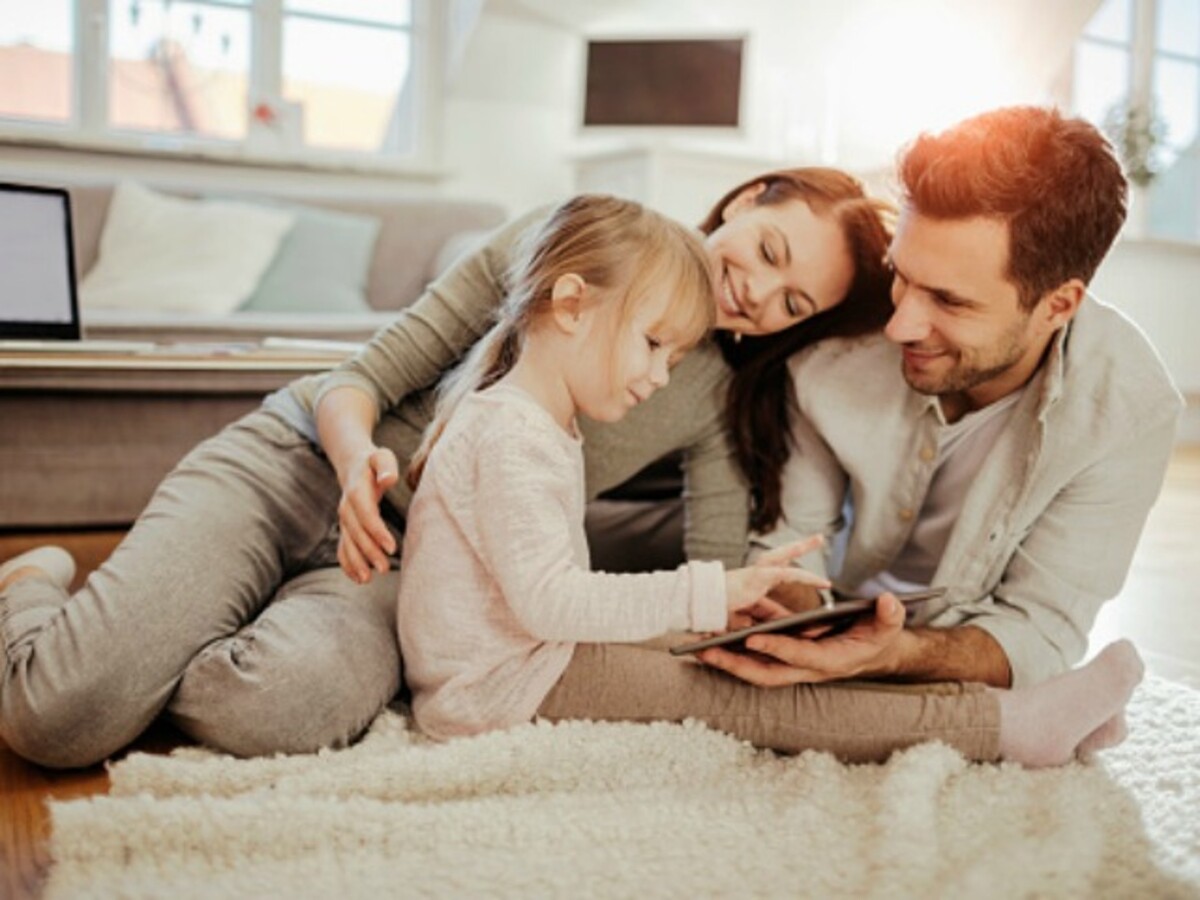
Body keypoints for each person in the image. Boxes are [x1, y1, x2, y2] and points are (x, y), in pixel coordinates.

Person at [0, 167, 895, 768]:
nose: (755, 294)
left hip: (403, 566)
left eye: (791, 303)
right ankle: (39, 585)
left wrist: (777, 612)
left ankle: (158, 629)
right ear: (745, 198)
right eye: (770, 252)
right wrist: (358, 468)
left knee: (275, 708)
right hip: (301, 465)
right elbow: (359, 380)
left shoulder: (717, 398)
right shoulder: (574, 245)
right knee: (57, 717)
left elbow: (702, 580)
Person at [396, 192, 1146, 768]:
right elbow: (551, 600)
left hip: (514, 661)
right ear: (569, 306)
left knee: (729, 657)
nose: (662, 376)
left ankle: (1041, 716)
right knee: (755, 706)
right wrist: (706, 593)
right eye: (654, 345)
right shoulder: (511, 433)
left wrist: (713, 609)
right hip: (497, 688)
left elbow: (546, 596)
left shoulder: (529, 422)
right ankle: (1011, 728)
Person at [699, 106, 1185, 693]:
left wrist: (896, 655)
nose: (899, 325)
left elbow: (1042, 630)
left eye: (950, 302)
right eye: (902, 275)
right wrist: (797, 619)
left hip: (949, 640)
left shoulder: (1126, 411)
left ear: (1057, 306)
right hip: (843, 605)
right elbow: (793, 535)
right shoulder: (831, 355)